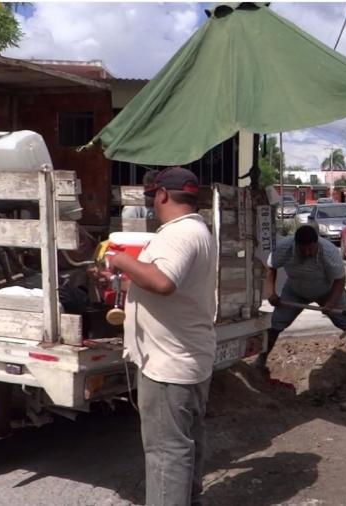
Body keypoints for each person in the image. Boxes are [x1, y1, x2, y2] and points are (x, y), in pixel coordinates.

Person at [104, 167, 216, 506]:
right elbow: (161, 282)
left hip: (168, 367)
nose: (153, 204)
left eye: (153, 198)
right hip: (188, 357)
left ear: (163, 195)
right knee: (186, 445)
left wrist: (120, 258)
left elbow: (164, 282)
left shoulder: (178, 234)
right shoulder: (197, 230)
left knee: (166, 454)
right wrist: (122, 281)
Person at [255, 225, 346, 371]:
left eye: (311, 249)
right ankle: (261, 360)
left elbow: (340, 280)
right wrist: (271, 293)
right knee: (275, 324)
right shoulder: (284, 248)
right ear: (296, 245)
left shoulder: (328, 252)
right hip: (295, 291)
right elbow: (271, 268)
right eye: (304, 250)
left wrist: (331, 303)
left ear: (317, 243)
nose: (308, 253)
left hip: (328, 290)